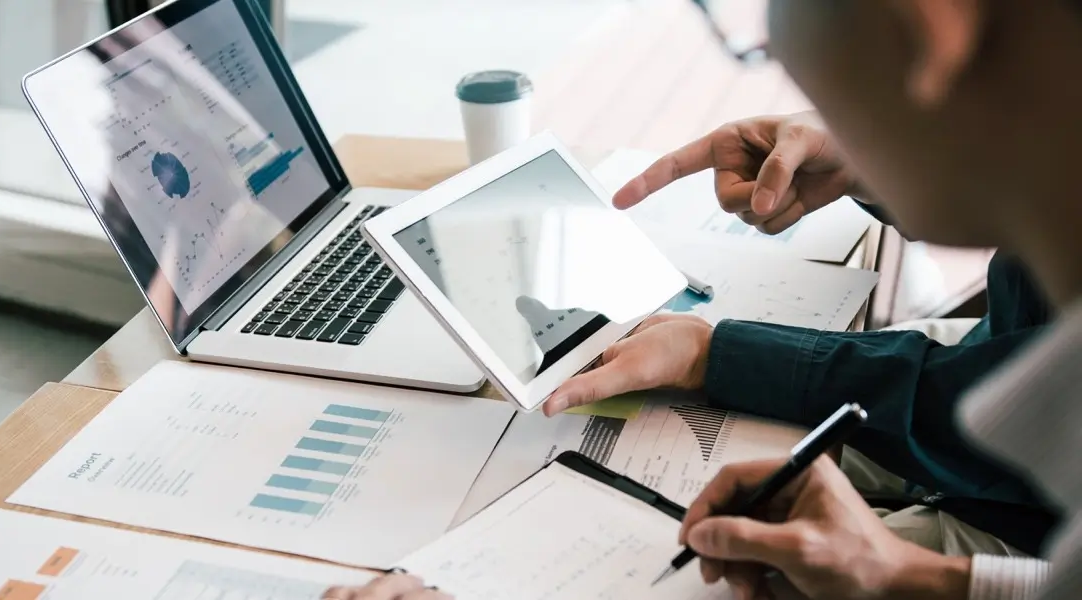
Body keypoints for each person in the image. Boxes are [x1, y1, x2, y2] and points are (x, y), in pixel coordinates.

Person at [327, 0, 1082, 596]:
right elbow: (1012, 363)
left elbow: (978, 408)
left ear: (926, 23)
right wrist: (895, 150)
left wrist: (718, 352)